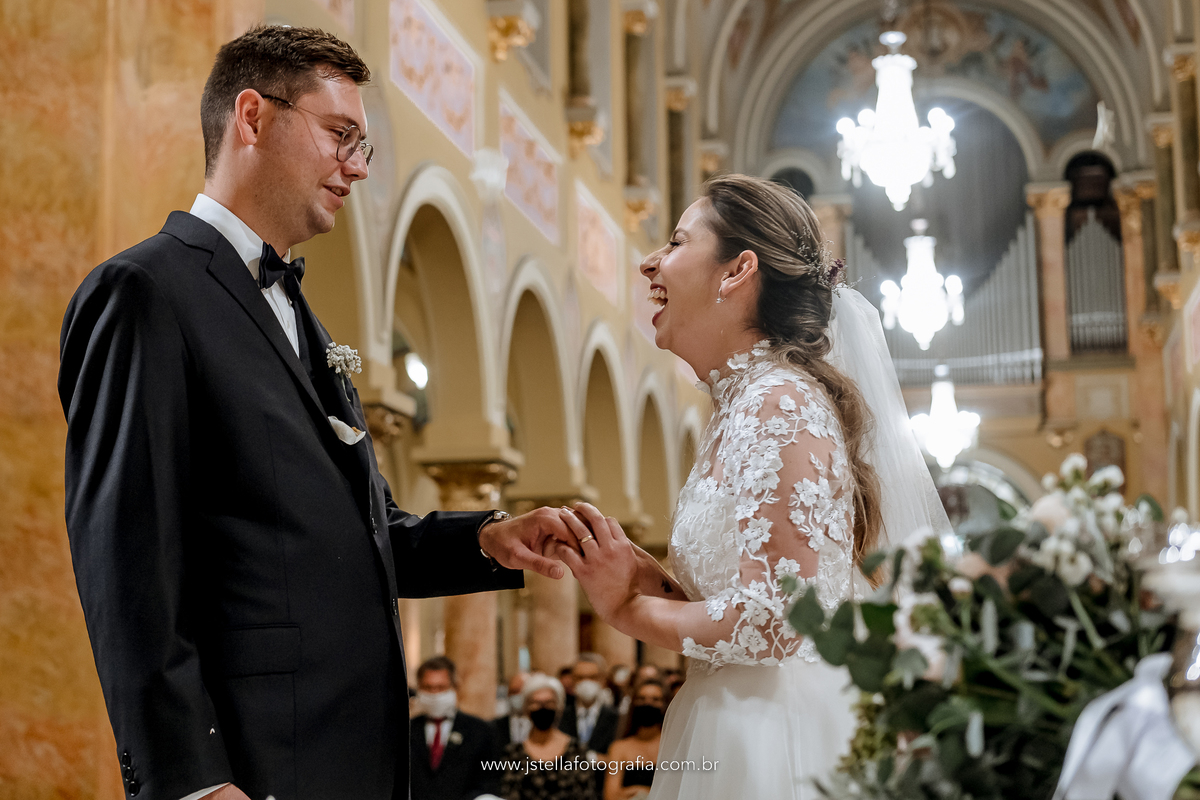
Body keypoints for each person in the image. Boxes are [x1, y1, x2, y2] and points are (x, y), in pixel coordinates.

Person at [57, 25, 572, 800]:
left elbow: (360, 542)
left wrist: (491, 540)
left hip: (352, 759)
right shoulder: (145, 293)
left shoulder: (303, 317)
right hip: (253, 763)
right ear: (253, 117)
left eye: (361, 145)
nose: (357, 168)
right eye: (342, 136)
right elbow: (126, 566)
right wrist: (190, 782)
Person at [552, 174, 952, 799]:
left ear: (736, 272)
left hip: (776, 730)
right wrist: (648, 578)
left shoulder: (780, 402)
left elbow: (778, 620)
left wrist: (628, 610)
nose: (649, 261)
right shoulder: (744, 406)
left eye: (678, 242)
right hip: (733, 711)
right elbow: (751, 589)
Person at [410, 656, 503, 800]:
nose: (435, 694)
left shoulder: (480, 731)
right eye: (428, 688)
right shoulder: (407, 731)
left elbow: (490, 780)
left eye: (441, 687)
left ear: (455, 687)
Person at [499, 674, 598, 800]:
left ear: (559, 706)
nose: (543, 708)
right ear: (526, 707)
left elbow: (587, 795)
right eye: (536, 703)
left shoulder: (577, 750)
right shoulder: (513, 753)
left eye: (549, 702)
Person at [603, 679, 666, 800]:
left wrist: (641, 791)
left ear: (665, 705)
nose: (648, 704)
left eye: (655, 700)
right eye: (641, 699)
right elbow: (610, 796)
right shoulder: (619, 748)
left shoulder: (673, 746)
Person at [558, 653, 620, 758]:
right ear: (572, 680)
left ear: (603, 680)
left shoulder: (616, 718)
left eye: (592, 677)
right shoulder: (560, 716)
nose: (586, 682)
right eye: (580, 678)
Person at [494, 671, 531, 747]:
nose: (517, 696)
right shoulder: (495, 727)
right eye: (513, 691)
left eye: (522, 692)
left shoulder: (542, 725)